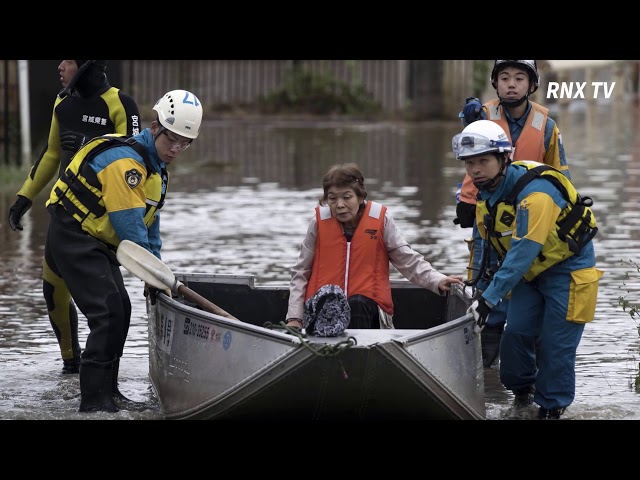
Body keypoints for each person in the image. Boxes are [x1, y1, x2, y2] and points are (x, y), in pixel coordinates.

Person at [44, 89, 202, 412]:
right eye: (171, 139)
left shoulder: (156, 169)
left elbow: (150, 227)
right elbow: (130, 229)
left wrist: (154, 273)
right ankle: (94, 402)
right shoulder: (126, 164)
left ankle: (109, 391)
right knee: (107, 311)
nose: (176, 149)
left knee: (123, 308)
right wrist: (157, 277)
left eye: (184, 143)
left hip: (99, 241)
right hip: (73, 235)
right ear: (155, 127)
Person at [453, 120, 602, 419]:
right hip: (528, 275)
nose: (475, 170)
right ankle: (522, 396)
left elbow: (522, 252)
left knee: (556, 345)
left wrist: (490, 299)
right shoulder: (487, 194)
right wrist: (478, 292)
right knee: (516, 335)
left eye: (483, 161)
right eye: (470, 163)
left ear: (503, 158)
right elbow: (485, 245)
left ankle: (551, 408)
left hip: (567, 271)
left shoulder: (537, 194)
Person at [8, 60, 140, 375]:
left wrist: (133, 229)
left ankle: (109, 371)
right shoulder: (62, 101)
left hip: (99, 224)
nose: (59, 66)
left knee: (110, 304)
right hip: (63, 214)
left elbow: (134, 164)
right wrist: (24, 197)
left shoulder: (121, 105)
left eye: (67, 61)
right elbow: (53, 153)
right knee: (52, 288)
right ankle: (71, 365)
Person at [454, 60, 570, 368]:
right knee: (482, 278)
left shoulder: (546, 126)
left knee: (528, 282)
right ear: (495, 82)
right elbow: (471, 162)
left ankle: (528, 361)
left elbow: (561, 176)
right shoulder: (481, 115)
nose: (511, 84)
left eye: (519, 78)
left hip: (531, 217)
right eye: (504, 77)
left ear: (532, 85)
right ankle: (484, 366)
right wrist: (466, 200)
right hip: (489, 217)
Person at [286, 163, 464, 331]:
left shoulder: (381, 220)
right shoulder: (318, 223)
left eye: (347, 197)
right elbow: (300, 272)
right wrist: (295, 318)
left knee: (356, 303)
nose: (339, 205)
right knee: (332, 304)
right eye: (332, 198)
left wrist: (437, 280)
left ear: (360, 196)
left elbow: (407, 260)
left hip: (370, 313)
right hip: (323, 315)